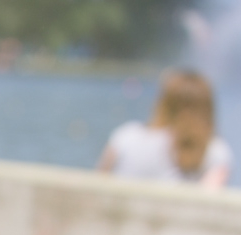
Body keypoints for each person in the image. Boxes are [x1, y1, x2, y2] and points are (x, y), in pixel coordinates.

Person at [98, 68, 231, 190]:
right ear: (207, 111)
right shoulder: (215, 152)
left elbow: (99, 185)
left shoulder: (125, 137)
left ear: (163, 103)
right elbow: (207, 205)